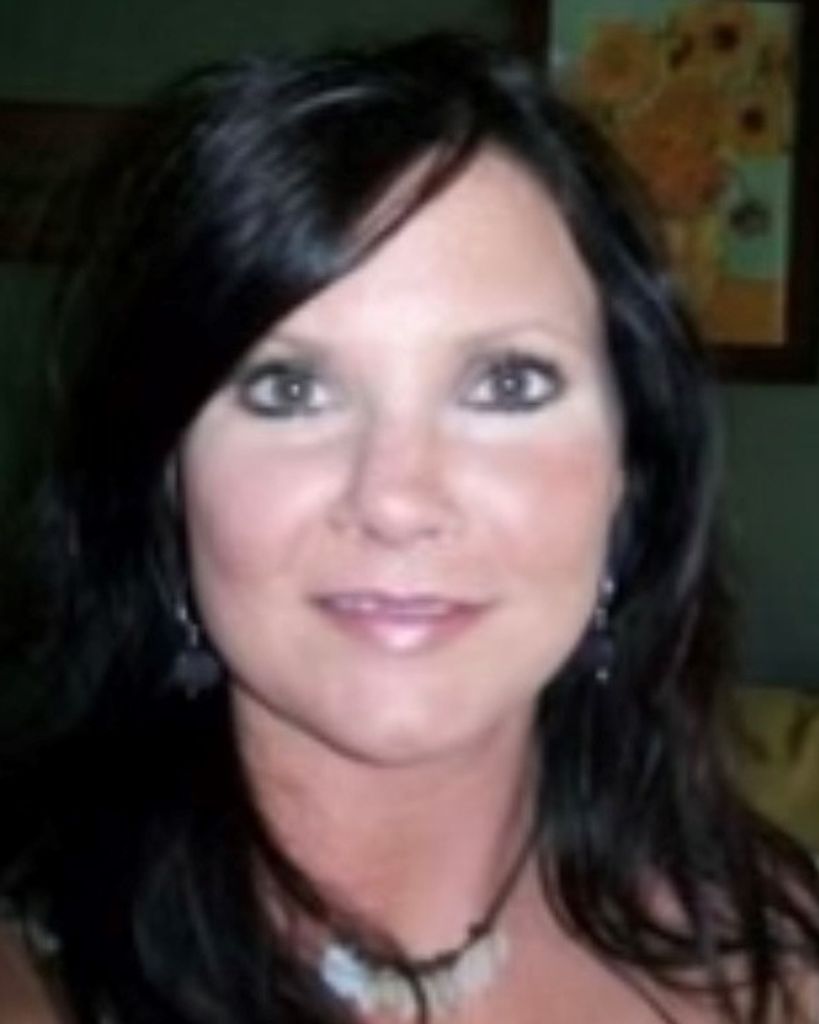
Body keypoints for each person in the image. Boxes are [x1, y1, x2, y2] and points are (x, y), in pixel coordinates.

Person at [0, 31, 817, 1024]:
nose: (396, 498)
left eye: (507, 384)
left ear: (629, 472)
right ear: (167, 479)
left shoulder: (771, 958)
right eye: (289, 388)